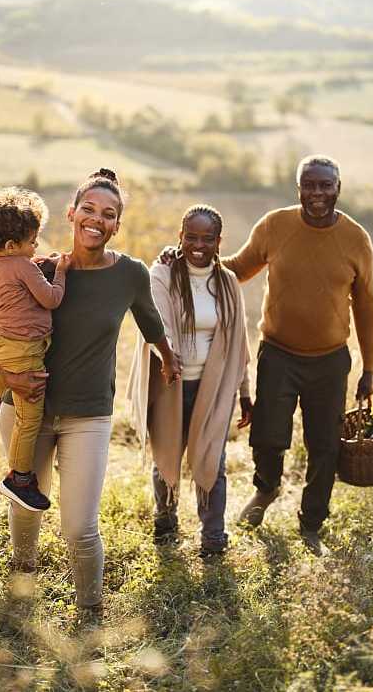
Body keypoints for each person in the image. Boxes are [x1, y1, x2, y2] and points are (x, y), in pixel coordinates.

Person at [0, 168, 181, 614]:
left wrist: (169, 359)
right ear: (72, 213)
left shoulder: (130, 274)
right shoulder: (38, 270)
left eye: (109, 214)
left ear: (117, 225)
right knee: (26, 503)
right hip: (27, 410)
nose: (97, 219)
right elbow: (5, 334)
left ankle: (90, 613)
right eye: (90, 209)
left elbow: (150, 322)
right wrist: (7, 375)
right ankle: (22, 589)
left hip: (89, 415)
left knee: (80, 527)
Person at [214, 155, 373, 555]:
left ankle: (312, 523)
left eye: (325, 185)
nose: (317, 193)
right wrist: (192, 260)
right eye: (310, 185)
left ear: (338, 189)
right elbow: (238, 268)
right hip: (279, 354)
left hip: (330, 360)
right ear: (298, 188)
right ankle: (266, 489)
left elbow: (367, 306)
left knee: (325, 446)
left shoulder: (356, 239)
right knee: (268, 435)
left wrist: (369, 369)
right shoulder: (275, 226)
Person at [128, 204, 253, 559]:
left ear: (218, 241)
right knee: (166, 456)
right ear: (180, 237)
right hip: (171, 383)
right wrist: (171, 360)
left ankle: (213, 535)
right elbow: (158, 324)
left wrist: (244, 392)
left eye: (207, 238)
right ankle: (165, 521)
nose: (199, 245)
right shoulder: (163, 274)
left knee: (213, 458)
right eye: (191, 237)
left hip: (212, 388)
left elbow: (239, 341)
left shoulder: (227, 282)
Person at [0, 186, 70, 512]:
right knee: (29, 419)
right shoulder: (24, 267)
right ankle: (19, 478)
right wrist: (62, 273)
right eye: (31, 242)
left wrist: (34, 263)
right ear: (12, 245)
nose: (36, 246)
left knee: (10, 366)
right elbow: (50, 298)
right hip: (25, 351)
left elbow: (17, 286)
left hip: (2, 341)